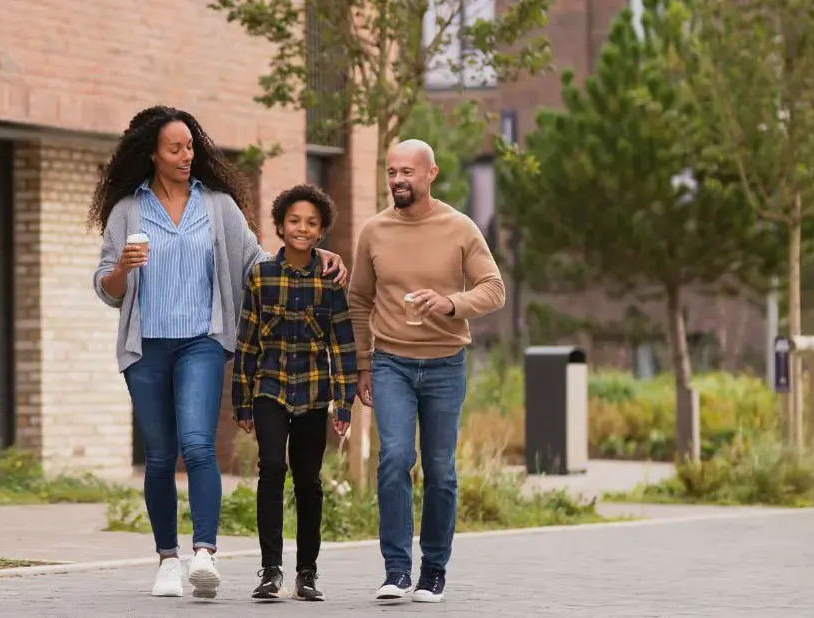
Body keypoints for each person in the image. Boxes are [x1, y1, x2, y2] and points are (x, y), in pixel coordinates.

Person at [90, 105, 347, 599]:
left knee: (199, 445)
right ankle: (168, 559)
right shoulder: (127, 210)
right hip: (144, 347)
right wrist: (123, 266)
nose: (187, 155)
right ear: (152, 154)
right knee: (161, 456)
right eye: (175, 149)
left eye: (190, 147)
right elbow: (107, 288)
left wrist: (317, 260)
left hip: (201, 343)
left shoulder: (217, 205)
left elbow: (257, 263)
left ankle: (204, 553)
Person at [347, 139, 506, 604]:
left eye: (407, 172)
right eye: (392, 172)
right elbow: (359, 299)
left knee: (441, 470)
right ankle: (396, 570)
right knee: (395, 458)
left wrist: (452, 303)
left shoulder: (459, 228)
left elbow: (494, 288)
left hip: (445, 365)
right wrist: (363, 362)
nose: (397, 180)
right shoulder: (374, 231)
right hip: (390, 361)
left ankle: (433, 571)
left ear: (430, 173)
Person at [232, 184, 356, 602]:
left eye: (311, 223)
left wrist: (345, 399)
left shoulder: (330, 279)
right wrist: (242, 400)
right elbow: (246, 341)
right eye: (294, 221)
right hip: (269, 388)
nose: (302, 229)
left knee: (308, 480)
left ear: (321, 232)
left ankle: (307, 574)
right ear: (281, 227)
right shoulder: (261, 275)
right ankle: (270, 571)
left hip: (314, 393)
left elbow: (341, 342)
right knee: (271, 469)